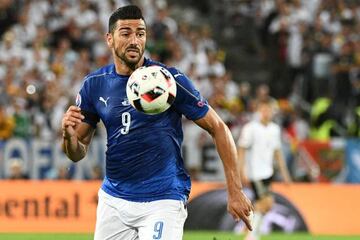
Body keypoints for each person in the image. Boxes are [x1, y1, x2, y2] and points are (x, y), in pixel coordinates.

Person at [61, 5, 253, 240]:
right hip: (114, 200)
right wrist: (69, 137)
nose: (134, 40)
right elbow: (76, 153)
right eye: (126, 33)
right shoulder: (95, 84)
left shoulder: (168, 80)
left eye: (140, 33)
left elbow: (219, 128)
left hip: (163, 199)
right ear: (109, 39)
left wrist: (235, 190)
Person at [237, 99, 292, 240]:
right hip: (255, 172)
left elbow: (277, 153)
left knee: (264, 205)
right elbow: (242, 150)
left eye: (268, 110)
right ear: (258, 111)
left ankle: (250, 231)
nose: (266, 113)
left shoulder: (274, 129)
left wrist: (285, 174)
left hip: (268, 172)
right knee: (266, 202)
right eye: (263, 110)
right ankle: (251, 235)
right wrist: (241, 171)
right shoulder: (251, 128)